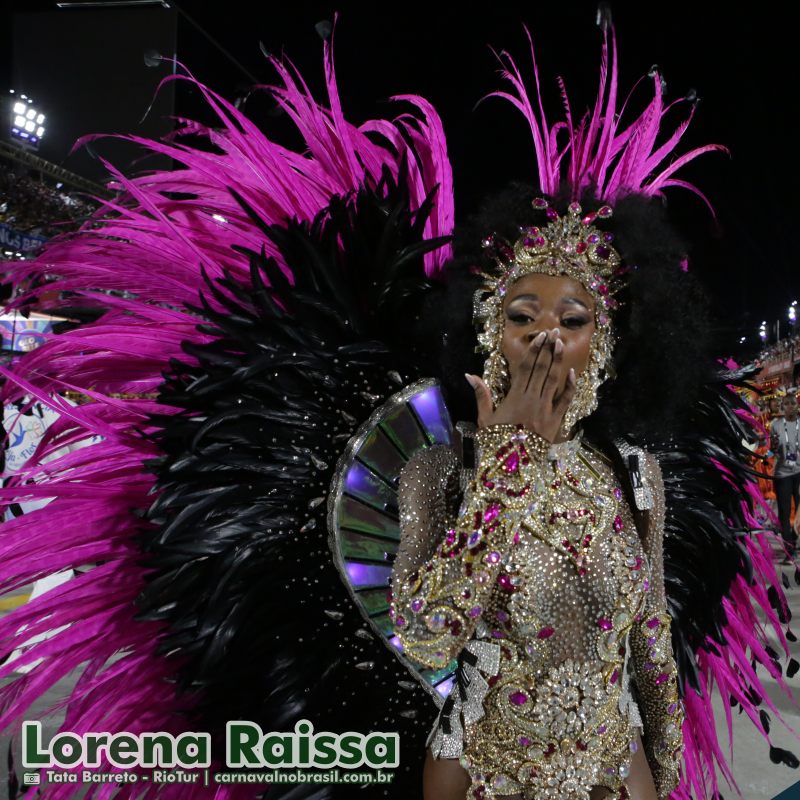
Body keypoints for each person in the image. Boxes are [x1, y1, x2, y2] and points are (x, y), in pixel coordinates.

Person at [0, 13, 795, 800]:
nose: (545, 338)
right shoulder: (436, 472)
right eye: (520, 316)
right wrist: (507, 473)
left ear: (615, 346)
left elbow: (651, 643)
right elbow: (425, 634)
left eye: (574, 319)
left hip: (615, 776)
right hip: (477, 777)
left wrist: (669, 762)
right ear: (486, 336)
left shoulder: (637, 477)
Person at [771, 392, 800, 556]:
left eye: (793, 403)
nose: (790, 406)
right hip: (782, 474)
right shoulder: (775, 425)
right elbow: (773, 449)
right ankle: (789, 546)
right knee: (784, 510)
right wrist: (762, 457)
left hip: (799, 472)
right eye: (787, 403)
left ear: (797, 406)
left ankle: (794, 539)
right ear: (783, 406)